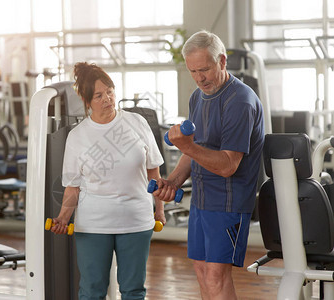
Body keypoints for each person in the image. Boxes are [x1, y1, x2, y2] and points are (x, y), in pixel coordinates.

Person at [154, 30, 265, 300]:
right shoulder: (197, 97)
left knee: (216, 274)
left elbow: (228, 165)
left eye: (204, 69)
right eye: (193, 71)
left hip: (229, 200)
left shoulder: (239, 100)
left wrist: (186, 145)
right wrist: (173, 181)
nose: (199, 78)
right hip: (202, 200)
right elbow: (194, 151)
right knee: (202, 270)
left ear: (222, 61)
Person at [50, 62, 166, 300]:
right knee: (92, 291)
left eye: (110, 91)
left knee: (134, 291)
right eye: (99, 95)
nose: (108, 99)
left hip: (136, 219)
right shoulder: (77, 136)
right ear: (87, 100)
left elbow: (154, 171)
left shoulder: (136, 123)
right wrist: (63, 218)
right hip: (93, 224)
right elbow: (73, 186)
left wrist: (160, 209)